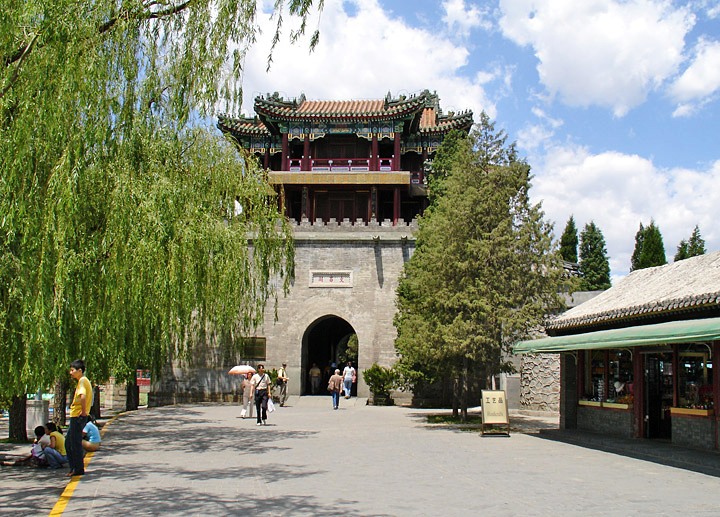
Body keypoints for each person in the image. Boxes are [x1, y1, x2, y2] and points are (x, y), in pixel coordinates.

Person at [66, 359, 92, 477]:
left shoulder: (82, 381)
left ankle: (78, 468)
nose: (70, 373)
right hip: (76, 415)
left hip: (77, 416)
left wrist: (83, 412)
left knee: (74, 443)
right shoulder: (83, 381)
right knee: (69, 442)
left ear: (80, 371)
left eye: (72, 370)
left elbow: (83, 396)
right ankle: (74, 467)